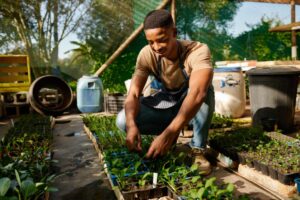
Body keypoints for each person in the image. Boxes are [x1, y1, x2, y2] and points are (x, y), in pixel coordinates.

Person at [116, 9, 215, 175]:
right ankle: (170, 138)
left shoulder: (197, 51)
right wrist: (131, 125)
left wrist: (169, 133)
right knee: (122, 120)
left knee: (204, 91)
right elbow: (133, 94)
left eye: (161, 40)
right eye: (151, 42)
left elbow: (198, 93)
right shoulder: (147, 54)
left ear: (174, 33)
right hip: (169, 99)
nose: (156, 47)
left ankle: (198, 149)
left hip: (191, 101)